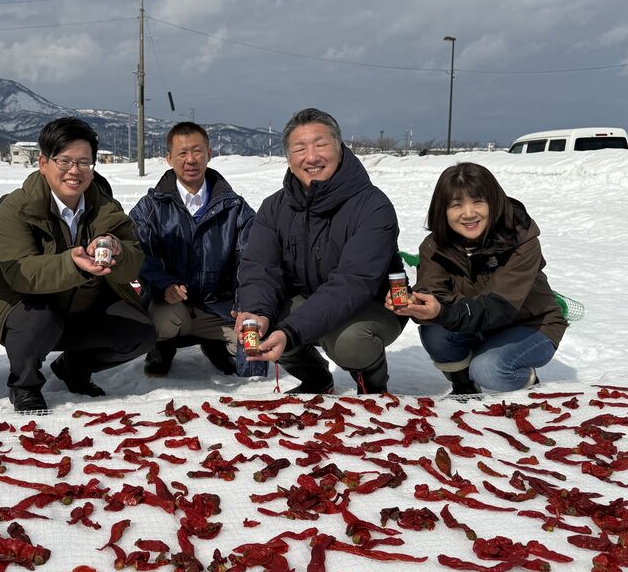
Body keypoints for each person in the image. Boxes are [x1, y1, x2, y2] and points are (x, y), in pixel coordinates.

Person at [0, 117, 156, 412]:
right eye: (65, 161)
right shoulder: (16, 207)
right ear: (43, 163)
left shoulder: (105, 207)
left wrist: (119, 251)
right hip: (24, 307)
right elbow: (21, 273)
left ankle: (73, 367)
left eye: (85, 163)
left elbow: (133, 265)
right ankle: (24, 384)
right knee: (41, 319)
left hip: (81, 305)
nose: (75, 171)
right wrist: (75, 265)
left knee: (140, 333)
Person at [235, 107, 405, 394]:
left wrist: (292, 332)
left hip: (372, 305)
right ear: (289, 160)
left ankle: (373, 384)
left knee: (349, 340)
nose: (311, 157)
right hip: (310, 299)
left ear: (340, 148)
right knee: (267, 319)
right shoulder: (274, 207)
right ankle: (316, 378)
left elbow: (354, 282)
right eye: (300, 148)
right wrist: (256, 312)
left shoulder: (372, 206)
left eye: (321, 145)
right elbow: (260, 268)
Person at [392, 162, 567, 394]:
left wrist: (443, 311)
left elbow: (499, 306)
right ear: (442, 211)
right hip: (476, 321)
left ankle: (526, 384)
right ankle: (464, 386)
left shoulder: (521, 239)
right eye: (456, 205)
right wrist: (417, 304)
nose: (468, 213)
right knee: (435, 332)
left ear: (493, 203)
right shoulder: (435, 246)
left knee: (489, 370)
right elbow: (432, 293)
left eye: (477, 202)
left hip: (530, 324)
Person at [129, 122, 257, 376]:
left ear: (209, 153)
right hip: (171, 307)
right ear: (169, 159)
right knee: (159, 323)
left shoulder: (235, 208)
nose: (190, 160)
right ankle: (162, 347)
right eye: (182, 153)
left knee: (253, 347)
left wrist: (246, 304)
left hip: (220, 306)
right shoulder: (150, 207)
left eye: (197, 151)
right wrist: (163, 285)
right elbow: (139, 254)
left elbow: (251, 260)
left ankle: (215, 343)